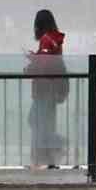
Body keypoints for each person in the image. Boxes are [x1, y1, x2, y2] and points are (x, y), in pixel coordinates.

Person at [26, 9, 68, 169]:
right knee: (44, 122)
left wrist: (31, 64)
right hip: (53, 87)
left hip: (43, 88)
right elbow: (50, 60)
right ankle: (48, 158)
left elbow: (44, 64)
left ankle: (44, 155)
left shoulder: (45, 40)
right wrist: (36, 56)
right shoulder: (55, 39)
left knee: (36, 121)